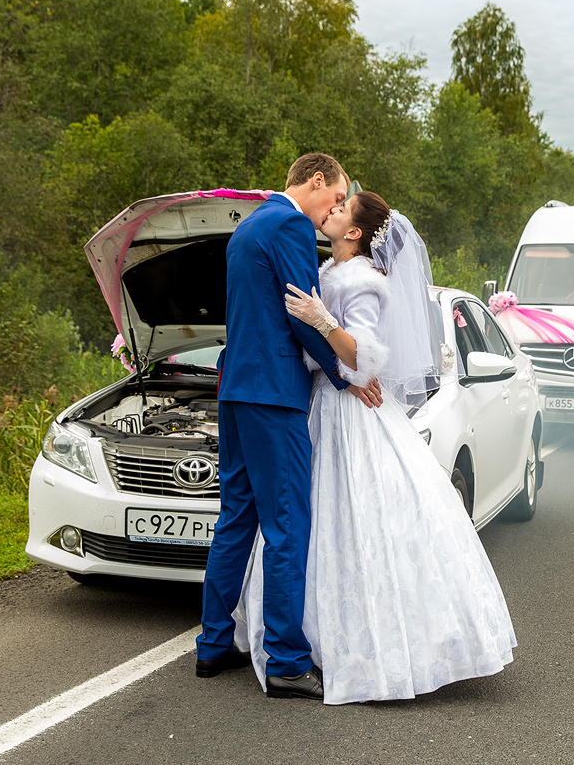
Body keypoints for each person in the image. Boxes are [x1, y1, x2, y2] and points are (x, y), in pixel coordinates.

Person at [233, 191, 517, 705]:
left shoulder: (365, 282)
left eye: (342, 209)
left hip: (352, 412)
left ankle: (378, 646)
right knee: (313, 521)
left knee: (360, 521)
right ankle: (304, 637)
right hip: (323, 405)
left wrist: (323, 322)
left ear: (355, 233)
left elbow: (364, 359)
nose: (332, 210)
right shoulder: (328, 270)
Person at [196, 154, 382, 701]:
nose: (334, 209)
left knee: (237, 517)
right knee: (287, 523)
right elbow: (304, 313)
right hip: (274, 395)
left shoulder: (247, 226)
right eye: (337, 195)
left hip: (235, 389)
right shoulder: (292, 225)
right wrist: (343, 376)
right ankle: (286, 660)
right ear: (318, 182)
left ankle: (212, 644)